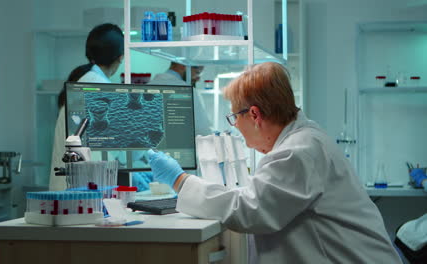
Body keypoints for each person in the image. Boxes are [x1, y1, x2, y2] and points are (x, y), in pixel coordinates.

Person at [147, 62, 403, 263]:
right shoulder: (303, 139)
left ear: (255, 114)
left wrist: (180, 180)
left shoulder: (298, 151)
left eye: (234, 117)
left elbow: (250, 210)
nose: (235, 126)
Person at [49, 23, 150, 192]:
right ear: (121, 57)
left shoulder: (83, 82)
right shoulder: (102, 89)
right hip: (84, 194)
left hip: (69, 192)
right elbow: (127, 154)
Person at [149, 62, 214, 136]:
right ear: (183, 65)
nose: (198, 79)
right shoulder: (187, 90)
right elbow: (202, 130)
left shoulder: (147, 86)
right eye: (197, 72)